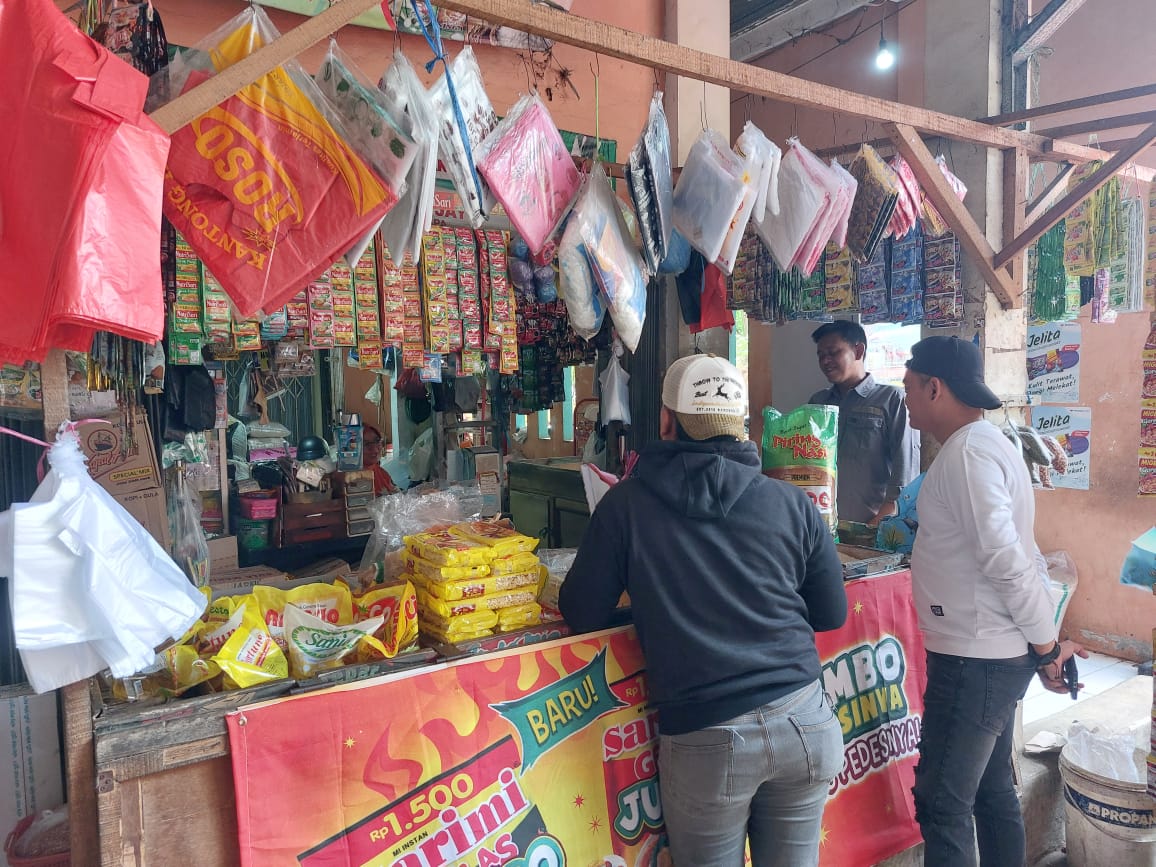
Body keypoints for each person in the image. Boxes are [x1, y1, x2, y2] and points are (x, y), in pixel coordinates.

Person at [559, 354, 847, 867]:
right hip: (805, 722)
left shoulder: (625, 507)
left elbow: (581, 611)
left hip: (709, 738)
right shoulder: (793, 503)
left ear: (666, 421)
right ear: (741, 424)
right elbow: (830, 613)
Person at [901, 336, 1087, 867]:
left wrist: (1046, 647)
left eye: (909, 387)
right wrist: (1041, 644)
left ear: (935, 388)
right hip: (985, 652)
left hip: (975, 659)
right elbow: (1024, 554)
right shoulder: (985, 444)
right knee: (989, 788)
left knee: (942, 803)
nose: (906, 398)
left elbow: (1008, 559)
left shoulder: (969, 454)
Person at [808, 321, 919, 526]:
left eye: (833, 352)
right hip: (820, 522)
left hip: (871, 524)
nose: (825, 361)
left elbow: (905, 467)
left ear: (858, 351)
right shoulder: (818, 403)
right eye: (820, 355)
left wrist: (882, 519)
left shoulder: (892, 399)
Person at [362, 424, 398, 496]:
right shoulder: (349, 478)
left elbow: (397, 495)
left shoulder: (382, 473)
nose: (375, 449)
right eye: (366, 444)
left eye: (377, 441)